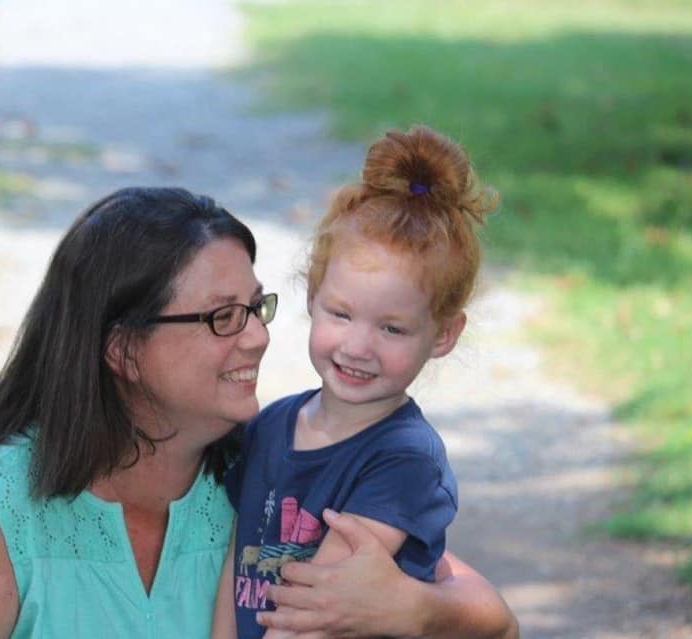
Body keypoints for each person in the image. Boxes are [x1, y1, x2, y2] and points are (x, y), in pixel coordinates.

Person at [0, 186, 518, 638]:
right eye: (221, 317)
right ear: (123, 349)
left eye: (254, 308)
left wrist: (415, 611)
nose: (256, 338)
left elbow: (493, 618)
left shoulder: (258, 467)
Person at [213, 125, 499, 639]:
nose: (358, 346)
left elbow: (322, 605)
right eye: (341, 314)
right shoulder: (273, 425)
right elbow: (235, 560)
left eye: (392, 328)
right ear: (311, 297)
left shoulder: (406, 459)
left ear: (443, 334)